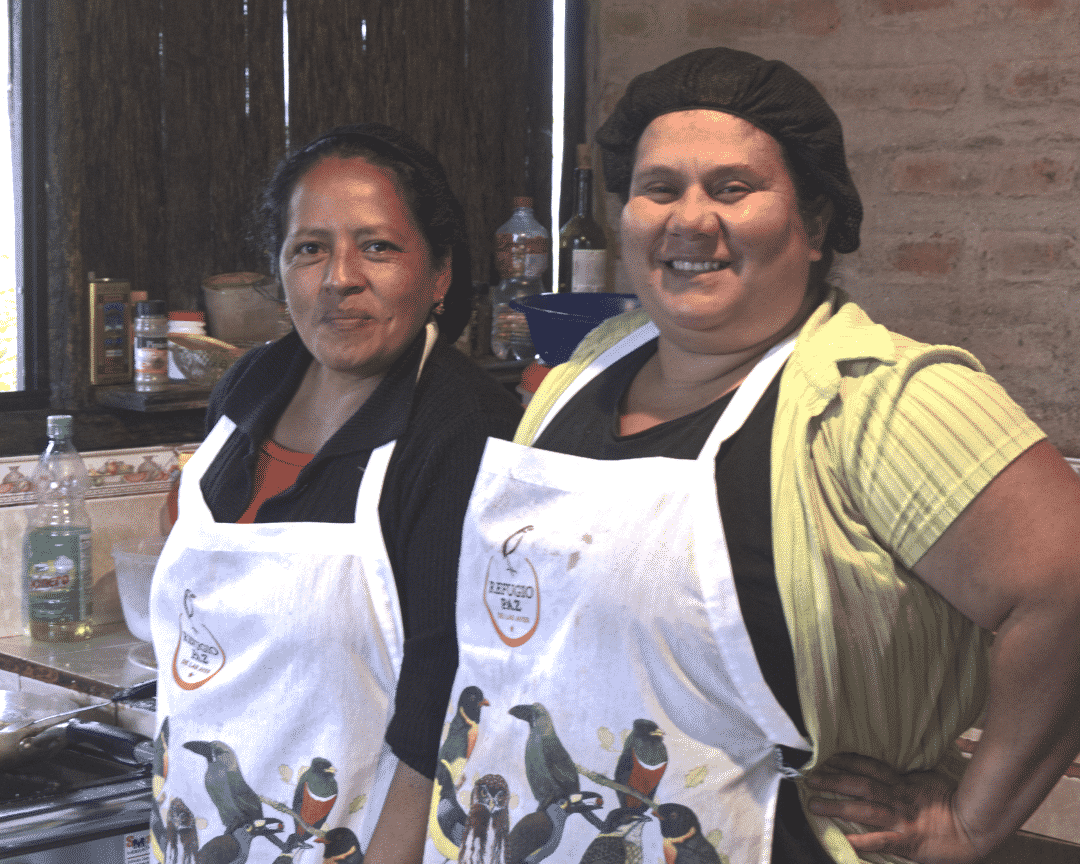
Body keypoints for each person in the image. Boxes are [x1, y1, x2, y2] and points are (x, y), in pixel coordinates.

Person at [420, 48, 1080, 864]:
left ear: (816, 223)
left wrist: (975, 819)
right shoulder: (584, 370)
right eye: (659, 188)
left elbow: (1065, 587)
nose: (689, 219)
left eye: (732, 188)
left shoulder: (879, 400)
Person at [150, 123, 522, 864]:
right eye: (308, 248)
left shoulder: (464, 426)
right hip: (201, 825)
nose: (338, 277)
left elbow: (443, 696)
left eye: (377, 247)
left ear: (440, 273)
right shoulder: (248, 388)